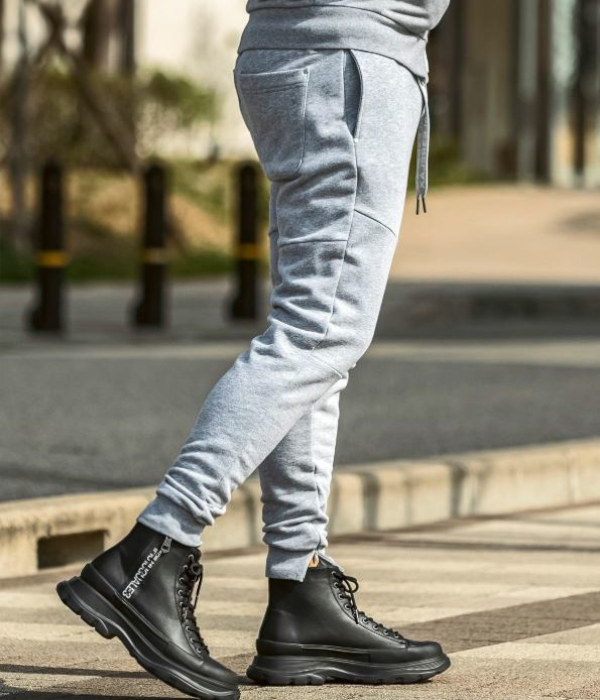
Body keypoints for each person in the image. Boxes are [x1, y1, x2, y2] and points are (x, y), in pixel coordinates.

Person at [57, 1, 452, 698]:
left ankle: (302, 592)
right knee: (319, 333)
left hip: (306, 53)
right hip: (350, 59)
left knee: (313, 341)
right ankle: (153, 553)